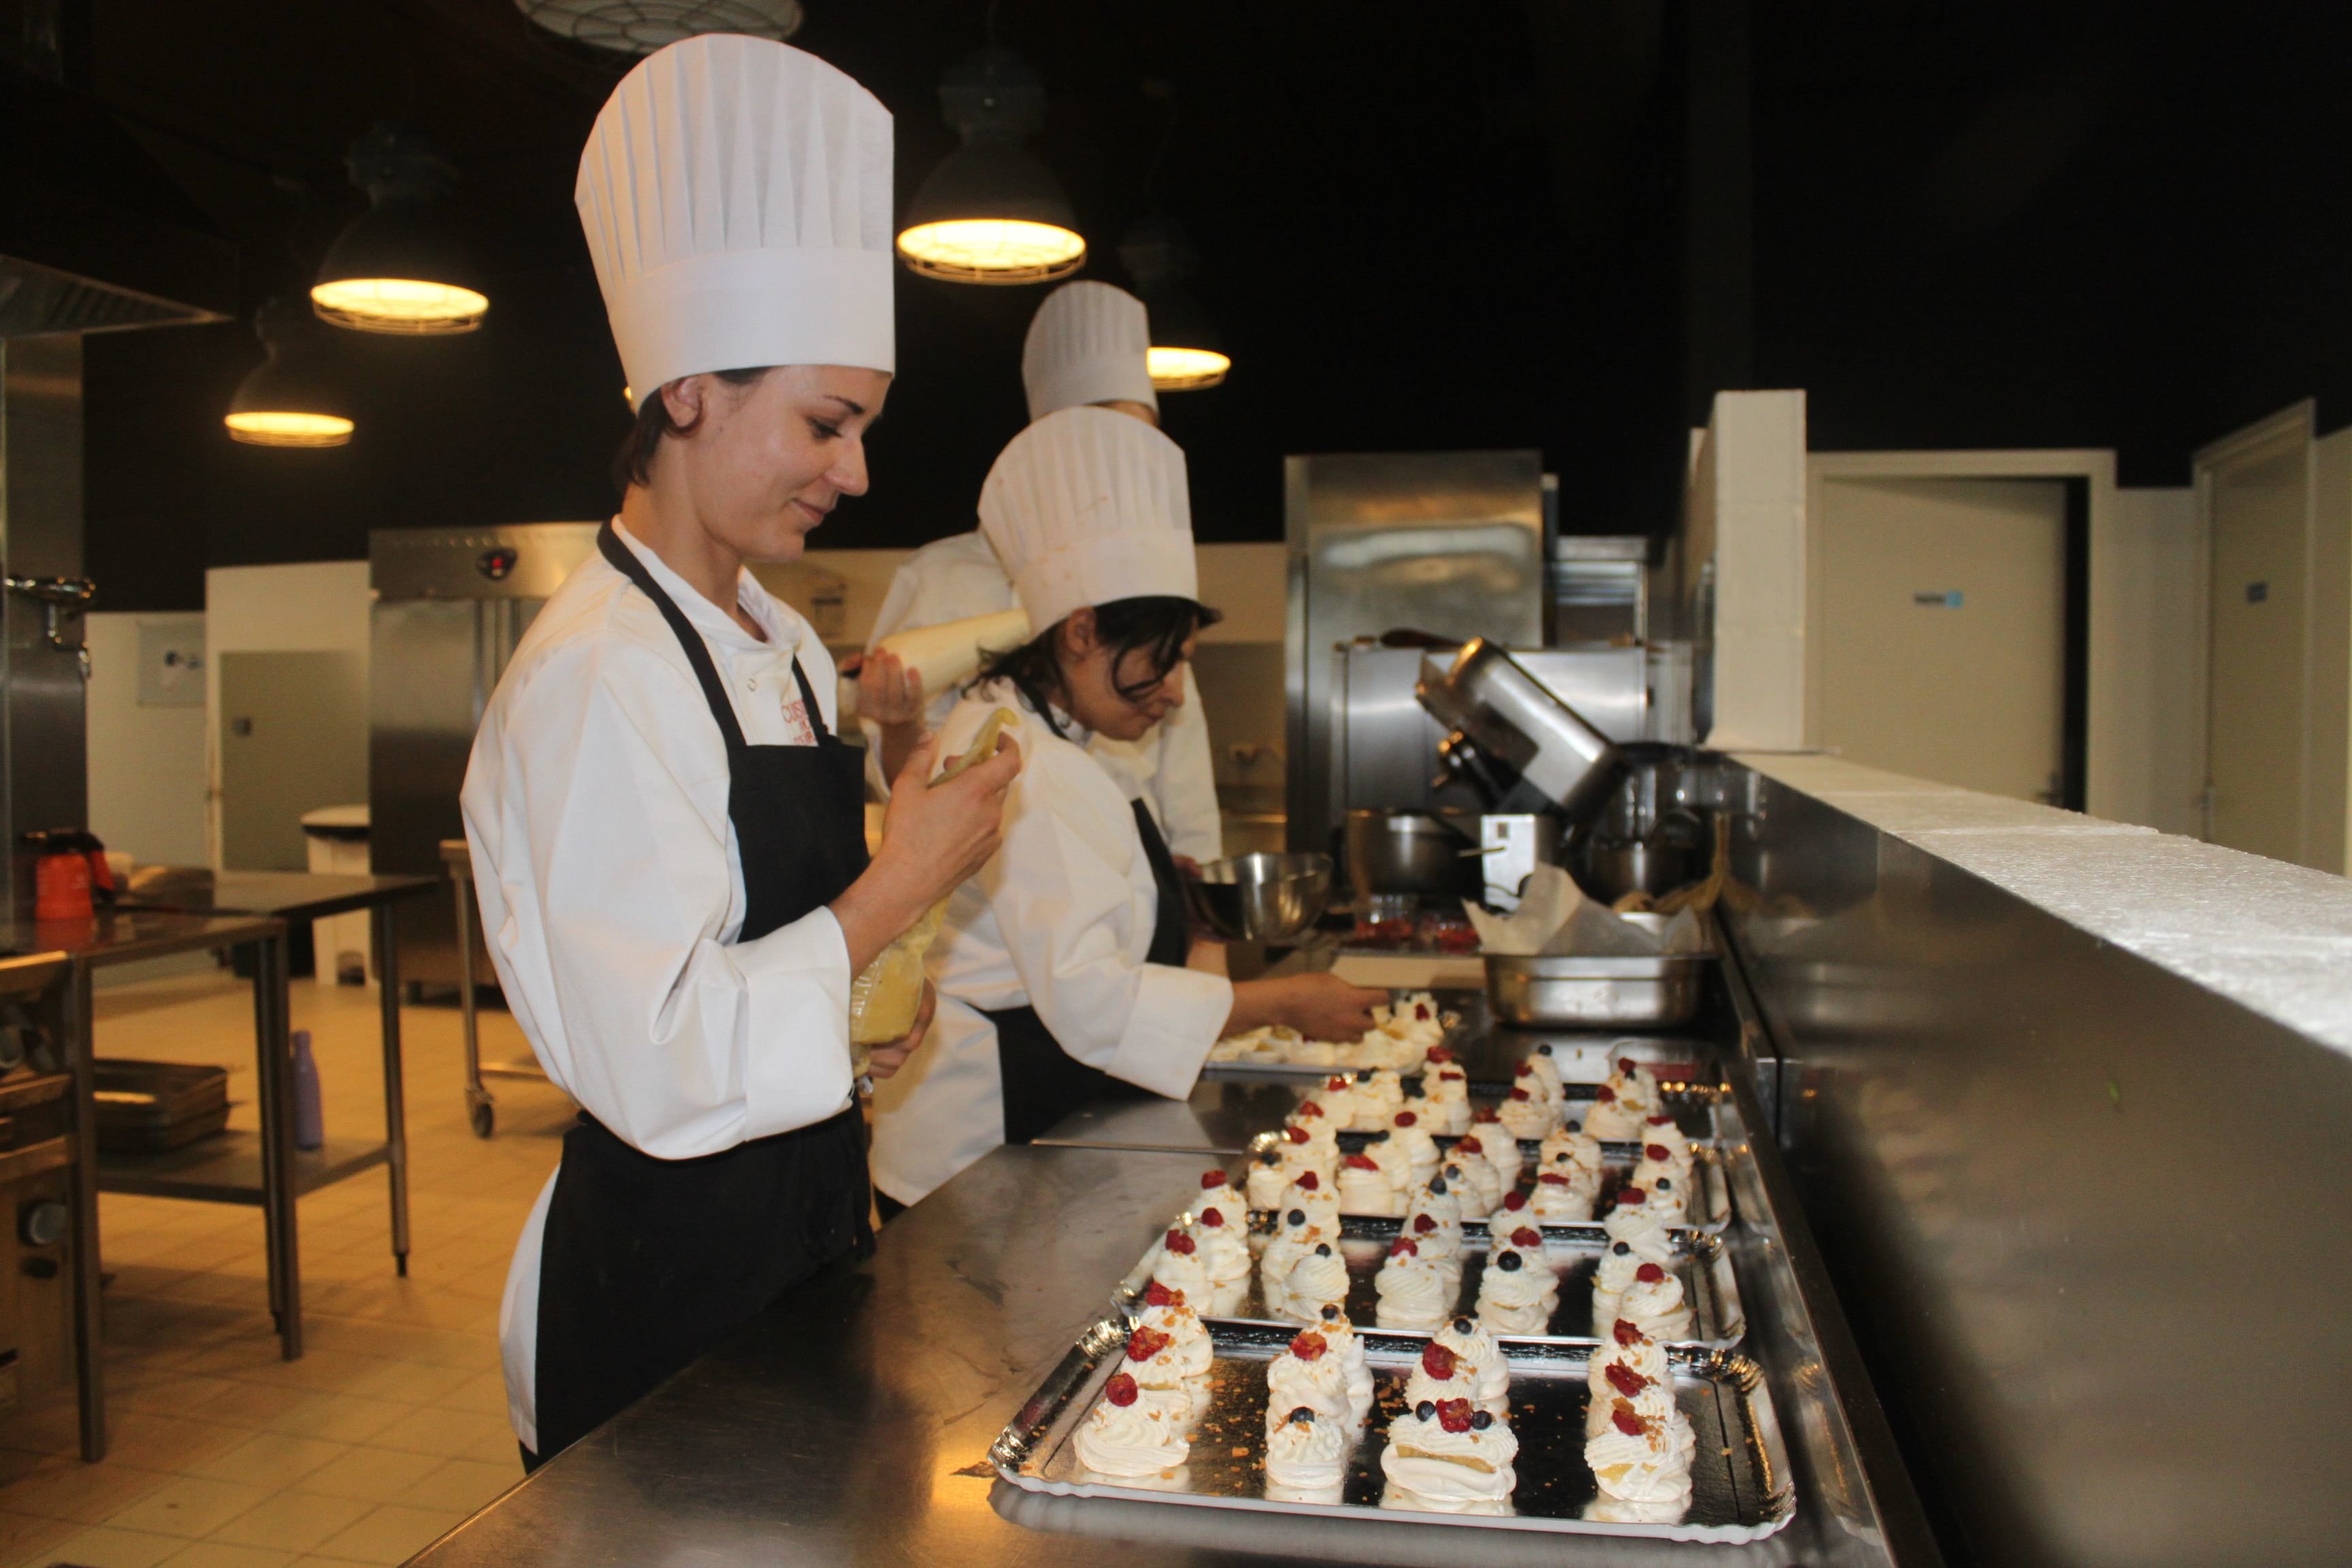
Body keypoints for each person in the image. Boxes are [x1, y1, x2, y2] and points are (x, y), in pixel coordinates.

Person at [461, 35, 1019, 1469]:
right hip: (668, 1294)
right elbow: (659, 1059)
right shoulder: (599, 673)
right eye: (826, 425)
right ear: (688, 392)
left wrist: (865, 1018)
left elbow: (763, 945)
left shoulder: (767, 640)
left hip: (800, 1238)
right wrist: (903, 884)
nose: (858, 472)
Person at [868, 407, 1383, 1206]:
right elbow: (1089, 996)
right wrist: (1281, 1002)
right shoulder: (1020, 759)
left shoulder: (1052, 739)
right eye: (1165, 660)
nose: (1175, 694)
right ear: (1080, 633)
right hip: (987, 1141)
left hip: (1036, 1110)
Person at [856, 280, 1224, 866]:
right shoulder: (942, 577)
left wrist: (1198, 900)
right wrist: (898, 725)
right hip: (990, 882)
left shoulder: (1142, 603)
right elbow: (905, 784)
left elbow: (1186, 789)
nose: (1120, 466)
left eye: (1137, 445)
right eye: (1100, 441)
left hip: (1132, 878)